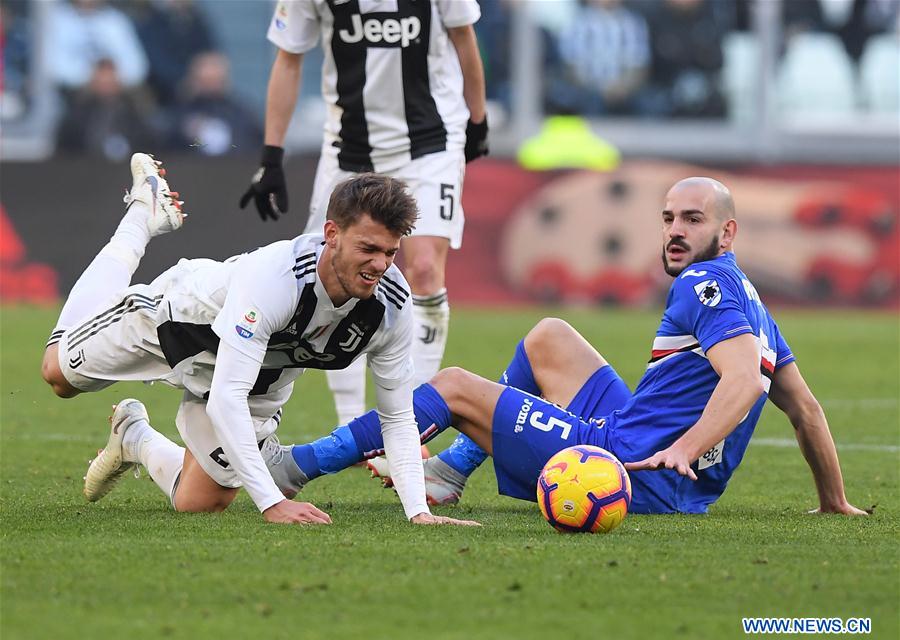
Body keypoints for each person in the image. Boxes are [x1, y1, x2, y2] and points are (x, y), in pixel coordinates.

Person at [264, 177, 867, 516]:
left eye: (693, 220)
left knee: (451, 386)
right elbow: (805, 409)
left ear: (727, 232)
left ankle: (295, 467)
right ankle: (450, 470)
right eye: (668, 218)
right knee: (550, 335)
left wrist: (683, 449)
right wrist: (833, 502)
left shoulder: (703, 284)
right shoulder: (753, 303)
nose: (676, 232)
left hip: (630, 467)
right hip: (651, 451)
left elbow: (742, 382)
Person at [40, 153, 478, 528]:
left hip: (260, 375)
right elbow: (225, 397)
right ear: (331, 234)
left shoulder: (392, 303)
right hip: (174, 327)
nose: (379, 264)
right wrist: (273, 503)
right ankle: (141, 216)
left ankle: (134, 436)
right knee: (58, 374)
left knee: (200, 502)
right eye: (368, 248)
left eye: (390, 252)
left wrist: (417, 512)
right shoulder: (276, 278)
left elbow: (398, 417)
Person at [239, 0, 489, 431]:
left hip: (431, 140)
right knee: (335, 273)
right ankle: (351, 425)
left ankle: (415, 421)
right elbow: (289, 58)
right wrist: (271, 155)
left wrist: (478, 118)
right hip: (349, 149)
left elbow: (464, 38)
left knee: (426, 268)